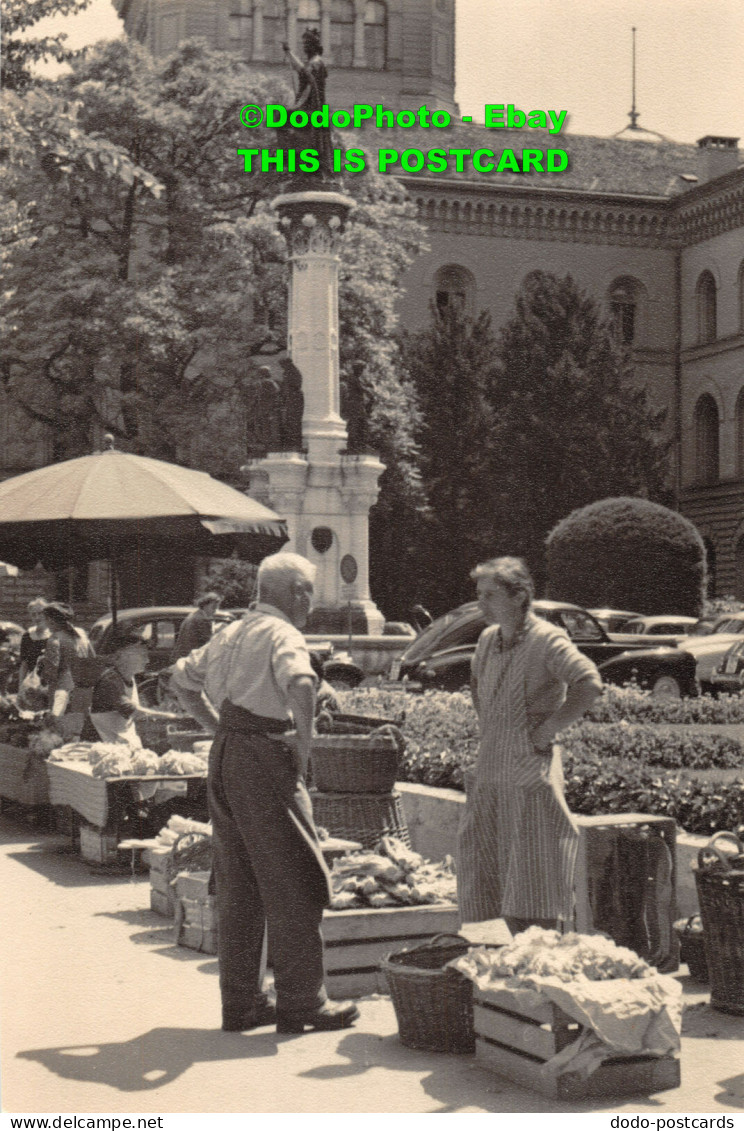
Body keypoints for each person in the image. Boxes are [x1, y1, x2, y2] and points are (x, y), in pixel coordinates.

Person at [171, 552, 359, 1035]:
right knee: (295, 878)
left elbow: (179, 680)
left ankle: (242, 1003)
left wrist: (218, 728)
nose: (311, 602)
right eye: (309, 592)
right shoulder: (282, 634)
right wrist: (303, 746)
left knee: (238, 886)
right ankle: (302, 1003)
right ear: (296, 592)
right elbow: (301, 682)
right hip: (264, 758)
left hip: (228, 755)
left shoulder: (229, 631)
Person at [457, 557, 602, 937]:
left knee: (535, 878)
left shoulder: (546, 638)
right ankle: (507, 974)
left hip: (529, 776)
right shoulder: (489, 640)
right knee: (492, 875)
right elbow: (476, 685)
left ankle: (541, 968)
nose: (481, 604)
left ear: (520, 595)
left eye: (490, 595)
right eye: (479, 595)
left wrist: (546, 730)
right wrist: (492, 728)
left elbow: (589, 683)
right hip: (491, 772)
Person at [80, 628, 182, 746]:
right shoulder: (110, 680)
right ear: (124, 656)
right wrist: (172, 717)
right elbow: (132, 710)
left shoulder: (129, 677)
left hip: (119, 742)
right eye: (142, 655)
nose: (147, 660)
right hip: (100, 744)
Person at [281, 30, 335, 179]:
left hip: (313, 107)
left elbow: (309, 82)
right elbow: (301, 70)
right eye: (304, 45)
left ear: (313, 46)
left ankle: (308, 169)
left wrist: (297, 105)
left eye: (306, 45)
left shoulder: (317, 62)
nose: (304, 48)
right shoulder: (311, 62)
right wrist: (289, 52)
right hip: (308, 106)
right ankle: (299, 168)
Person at [41, 602, 97, 740]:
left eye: (45, 619)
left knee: (60, 733)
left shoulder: (54, 640)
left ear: (51, 620)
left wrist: (42, 667)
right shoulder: (82, 634)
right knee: (78, 732)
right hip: (84, 691)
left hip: (63, 693)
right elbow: (93, 659)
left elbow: (51, 672)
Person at [171, 593, 221, 661]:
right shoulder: (203, 619)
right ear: (205, 605)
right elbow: (209, 642)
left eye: (217, 607)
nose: (215, 610)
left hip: (182, 657)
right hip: (190, 659)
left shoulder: (195, 615)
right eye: (213, 607)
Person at [18, 597, 50, 689]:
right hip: (33, 684)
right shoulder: (27, 636)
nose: (37, 617)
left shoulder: (54, 635)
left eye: (40, 613)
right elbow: (24, 665)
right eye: (33, 614)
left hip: (51, 683)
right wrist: (21, 687)